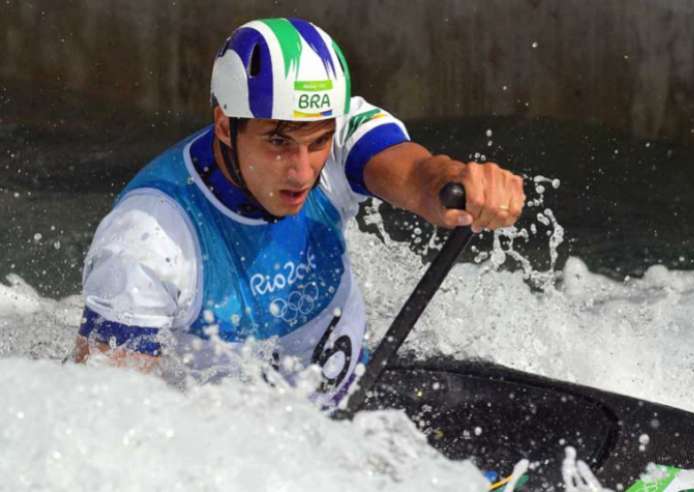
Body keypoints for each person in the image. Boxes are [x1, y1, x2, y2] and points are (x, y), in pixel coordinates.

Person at [73, 17, 525, 405]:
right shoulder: (147, 239)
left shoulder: (341, 138)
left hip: (354, 414)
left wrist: (461, 185)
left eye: (317, 142)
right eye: (277, 142)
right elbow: (109, 429)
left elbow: (422, 177)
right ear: (225, 126)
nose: (303, 170)